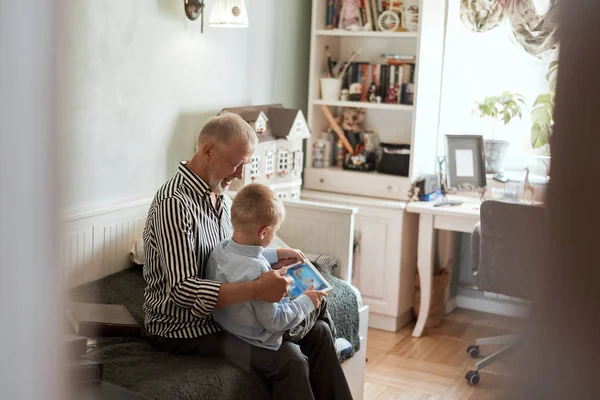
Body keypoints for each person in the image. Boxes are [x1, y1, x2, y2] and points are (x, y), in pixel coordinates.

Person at [142, 113, 352, 400]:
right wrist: (257, 288)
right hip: (184, 329)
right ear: (208, 151)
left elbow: (235, 253)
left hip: (225, 316)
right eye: (236, 164)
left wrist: (275, 256)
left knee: (320, 332)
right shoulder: (174, 205)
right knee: (290, 360)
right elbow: (182, 290)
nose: (240, 174)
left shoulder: (221, 198)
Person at [206, 183, 338, 351]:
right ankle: (335, 344)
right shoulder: (260, 271)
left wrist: (278, 254)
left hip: (230, 324)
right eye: (274, 232)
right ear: (264, 232)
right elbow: (275, 322)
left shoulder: (221, 248)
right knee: (321, 300)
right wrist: (307, 301)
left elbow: (245, 254)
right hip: (263, 336)